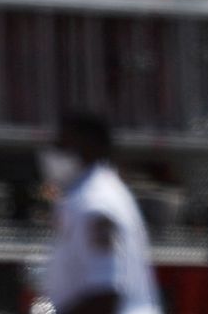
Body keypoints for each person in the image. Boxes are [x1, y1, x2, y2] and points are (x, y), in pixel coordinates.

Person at [39, 112, 162, 314]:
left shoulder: (95, 203)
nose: (53, 154)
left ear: (89, 146)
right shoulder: (95, 192)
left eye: (62, 145)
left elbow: (105, 294)